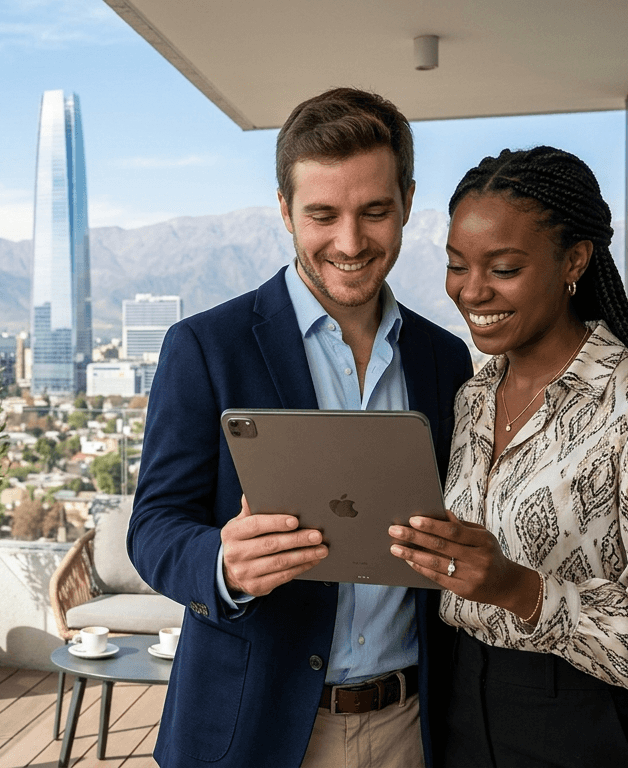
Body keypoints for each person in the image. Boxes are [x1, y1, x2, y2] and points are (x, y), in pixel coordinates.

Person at [128, 87, 473, 768]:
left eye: (375, 211)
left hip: (412, 729)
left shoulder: (445, 358)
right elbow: (154, 527)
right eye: (322, 215)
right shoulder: (205, 347)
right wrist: (223, 564)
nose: (350, 242)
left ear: (407, 201)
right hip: (252, 731)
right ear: (285, 210)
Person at [388, 146, 628, 767]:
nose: (472, 290)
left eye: (503, 268)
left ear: (574, 260)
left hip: (591, 721)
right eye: (456, 265)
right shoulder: (473, 397)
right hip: (461, 707)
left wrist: (521, 589)